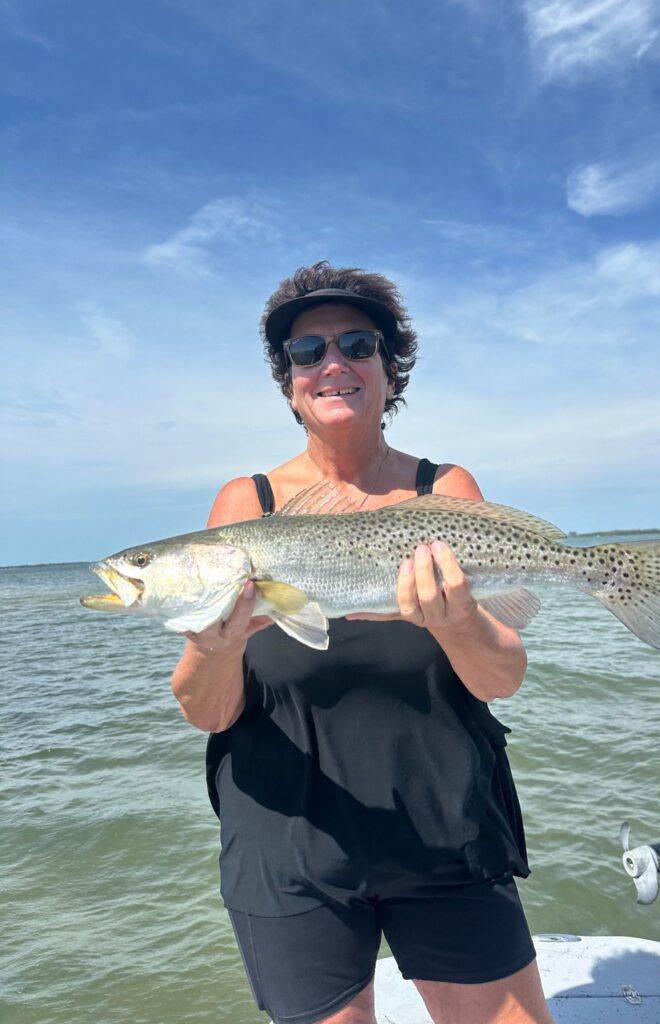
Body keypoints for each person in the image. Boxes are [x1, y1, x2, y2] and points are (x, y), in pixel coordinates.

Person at [171, 262, 555, 1024]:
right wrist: (215, 646)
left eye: (357, 343)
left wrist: (456, 621)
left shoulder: (444, 490)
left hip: (443, 823)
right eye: (307, 353)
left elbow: (501, 676)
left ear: (390, 367)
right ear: (289, 382)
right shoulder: (248, 508)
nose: (333, 364)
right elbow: (206, 712)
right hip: (289, 839)